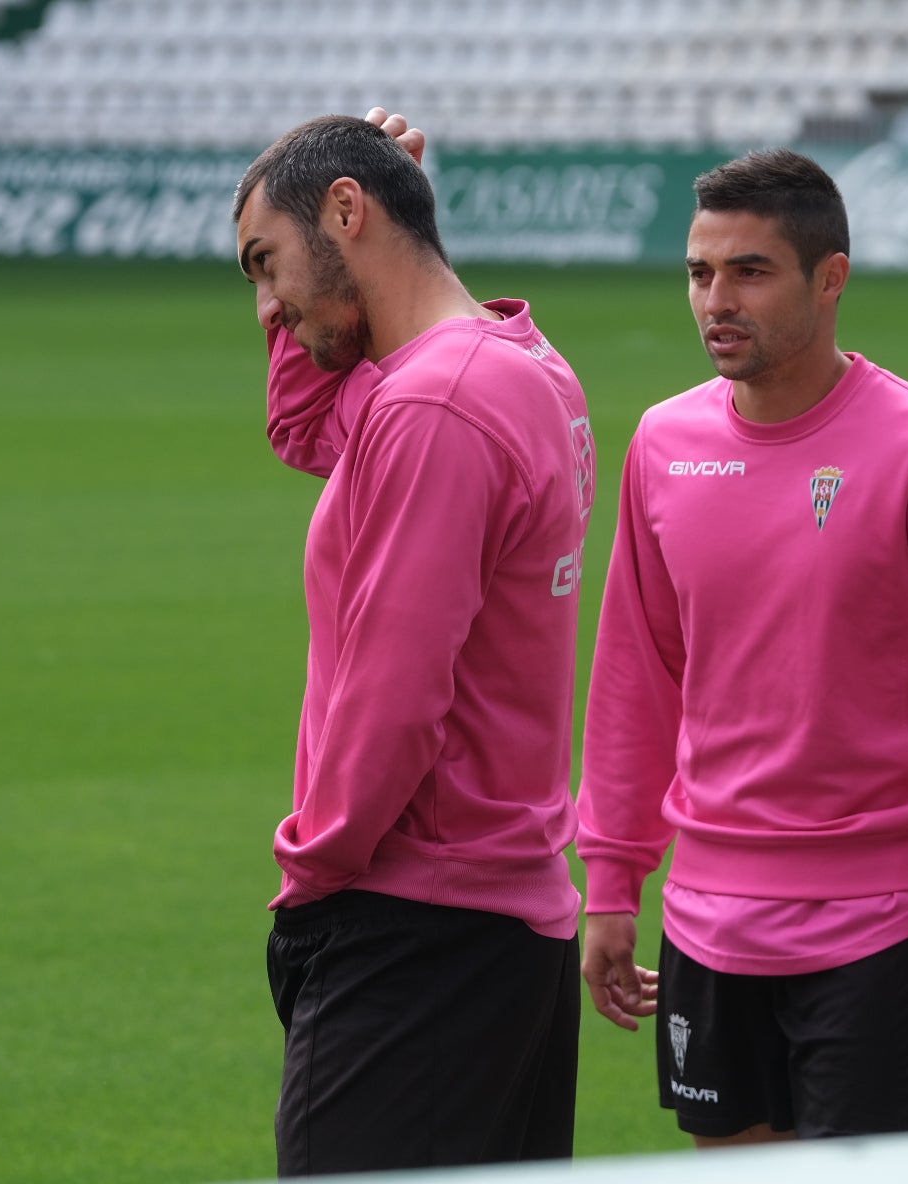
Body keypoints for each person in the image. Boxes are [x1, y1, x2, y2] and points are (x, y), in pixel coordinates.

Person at [576, 148, 908, 1146]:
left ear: (830, 277)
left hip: (883, 929)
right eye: (698, 272)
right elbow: (637, 673)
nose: (716, 298)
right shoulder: (663, 445)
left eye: (750, 271)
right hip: (705, 926)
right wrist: (611, 882)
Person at [233, 109, 596, 1175]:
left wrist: (312, 872)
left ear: (346, 211)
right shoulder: (519, 366)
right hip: (504, 923)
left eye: (267, 264)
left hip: (414, 926)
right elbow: (307, 427)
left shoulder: (433, 404)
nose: (267, 304)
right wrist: (357, 231)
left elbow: (397, 697)